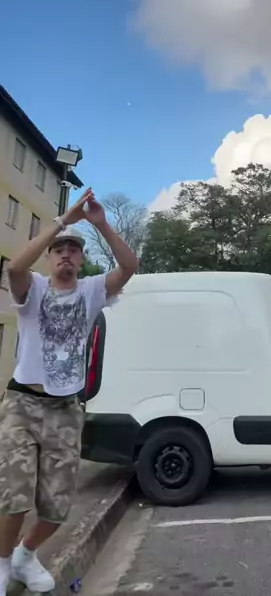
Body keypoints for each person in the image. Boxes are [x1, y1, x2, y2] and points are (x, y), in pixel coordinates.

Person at [0, 187, 138, 596]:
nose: (65, 254)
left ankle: (26, 555)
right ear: (49, 257)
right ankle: (2, 563)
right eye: (59, 249)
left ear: (81, 259)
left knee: (58, 506)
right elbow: (14, 267)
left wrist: (101, 223)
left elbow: (130, 265)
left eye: (73, 250)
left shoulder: (92, 291)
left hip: (65, 408)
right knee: (14, 495)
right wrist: (62, 222)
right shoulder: (34, 289)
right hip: (23, 404)